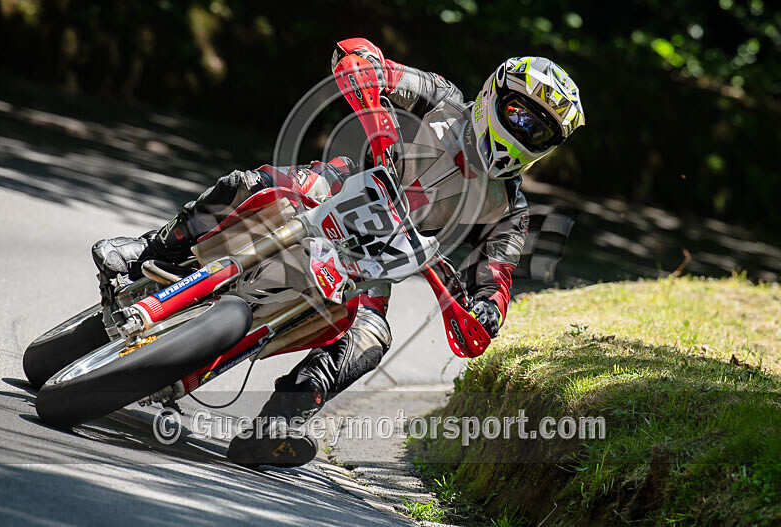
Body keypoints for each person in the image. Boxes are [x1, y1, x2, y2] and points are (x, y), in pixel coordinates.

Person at [91, 38, 586, 467]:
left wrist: (486, 310)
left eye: (539, 130)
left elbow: (496, 273)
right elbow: (369, 63)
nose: (523, 130)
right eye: (519, 113)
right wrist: (370, 81)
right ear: (495, 94)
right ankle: (144, 250)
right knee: (252, 184)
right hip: (336, 189)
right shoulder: (443, 99)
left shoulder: (510, 209)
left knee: (370, 338)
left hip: (377, 261)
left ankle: (278, 424)